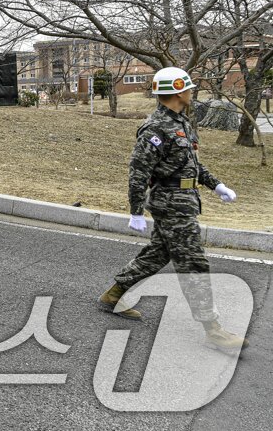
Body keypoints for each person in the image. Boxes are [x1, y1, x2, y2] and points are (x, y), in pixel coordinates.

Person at [98, 67, 247, 353]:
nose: (192, 92)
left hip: (186, 200)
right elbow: (138, 172)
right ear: (178, 90)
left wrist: (217, 186)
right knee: (194, 264)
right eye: (189, 87)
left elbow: (192, 165)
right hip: (170, 204)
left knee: (157, 254)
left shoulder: (183, 123)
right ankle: (214, 331)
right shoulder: (155, 127)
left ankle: (113, 295)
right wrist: (136, 211)